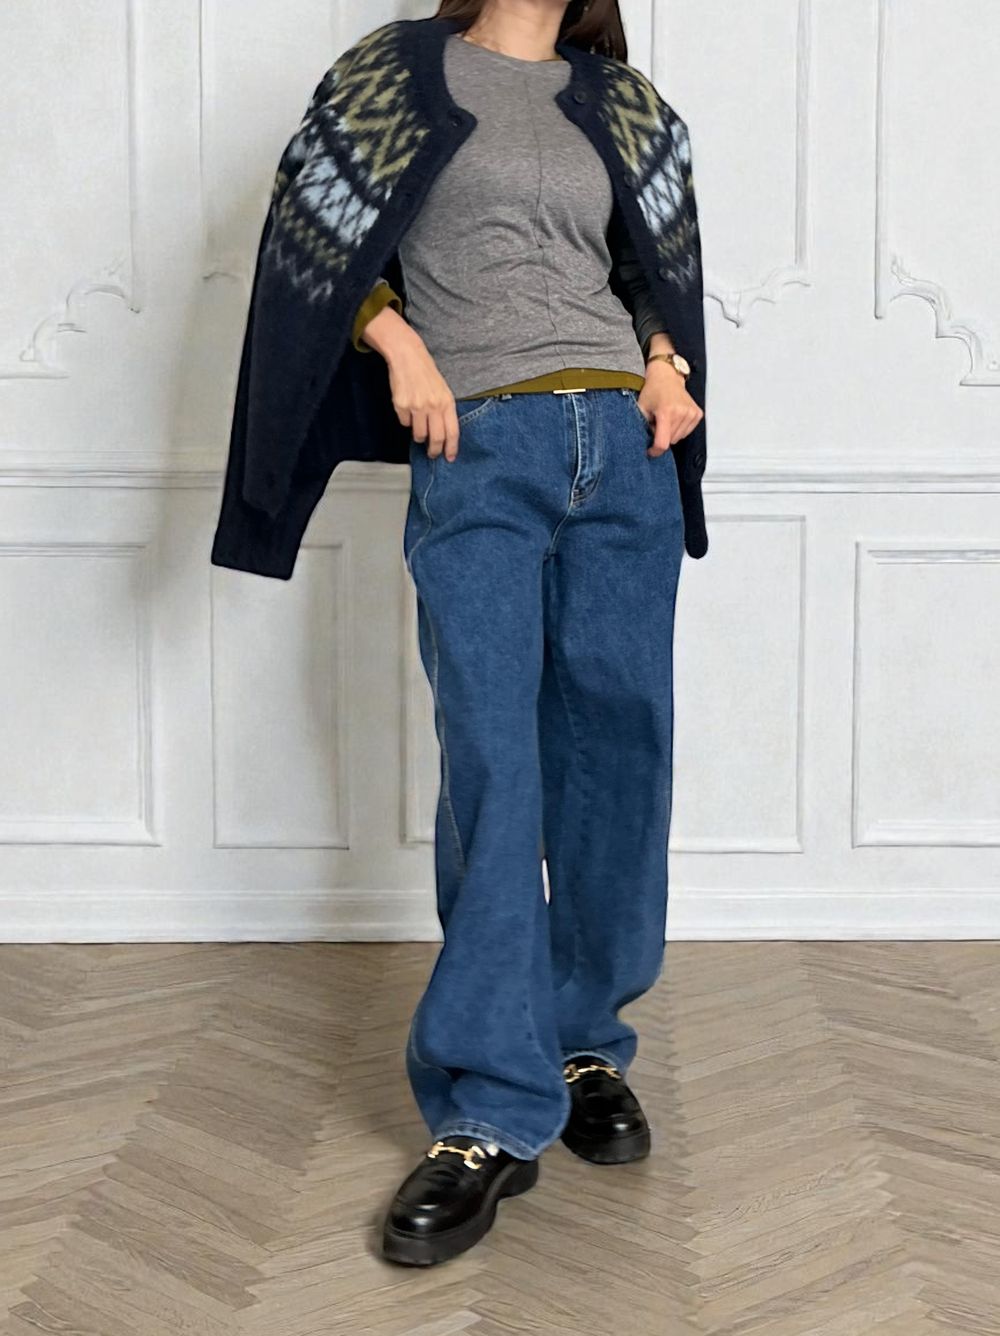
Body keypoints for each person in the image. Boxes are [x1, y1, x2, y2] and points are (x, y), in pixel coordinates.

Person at [210, 0, 707, 1269]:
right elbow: (313, 222)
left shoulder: (627, 102)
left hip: (626, 449)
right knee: (494, 758)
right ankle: (487, 1106)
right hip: (480, 441)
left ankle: (582, 1039)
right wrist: (398, 344)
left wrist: (664, 360)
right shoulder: (394, 70)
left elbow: (649, 270)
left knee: (618, 759)